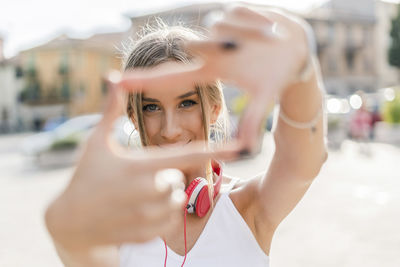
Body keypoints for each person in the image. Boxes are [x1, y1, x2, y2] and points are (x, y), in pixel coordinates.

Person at [45, 4, 327, 267]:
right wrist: (62, 225)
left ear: (215, 108)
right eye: (151, 107)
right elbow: (79, 250)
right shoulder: (117, 221)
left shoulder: (248, 205)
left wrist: (300, 73)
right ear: (133, 117)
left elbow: (302, 162)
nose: (170, 129)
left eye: (187, 103)